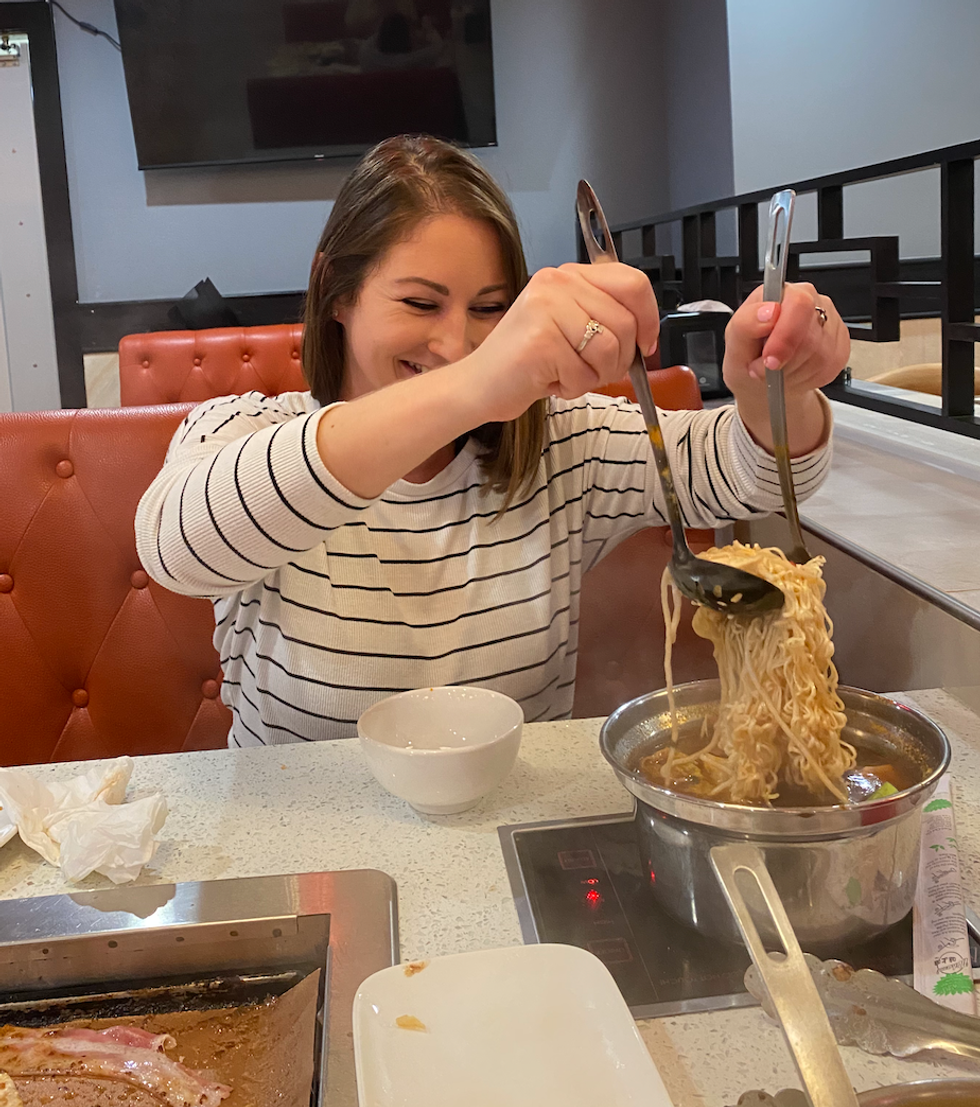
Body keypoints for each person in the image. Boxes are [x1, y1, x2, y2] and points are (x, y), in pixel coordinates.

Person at [136, 135, 848, 748]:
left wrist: (769, 390)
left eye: (489, 310)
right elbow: (176, 547)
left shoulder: (560, 447)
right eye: (420, 303)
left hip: (506, 840)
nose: (455, 342)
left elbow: (748, 471)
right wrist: (477, 381)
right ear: (336, 292)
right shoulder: (243, 430)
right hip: (303, 858)